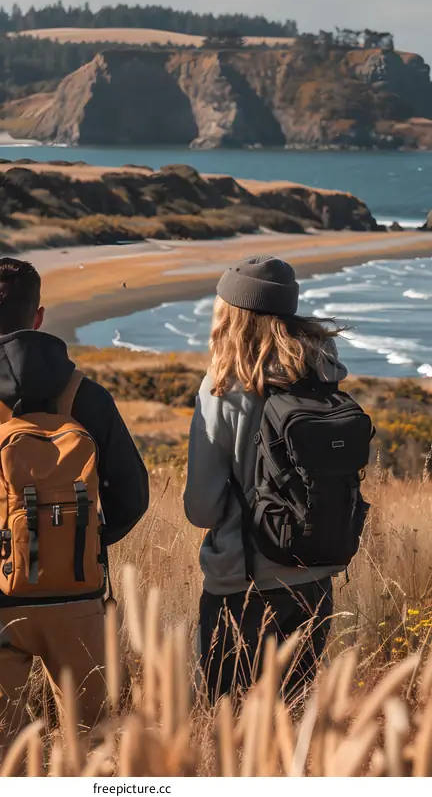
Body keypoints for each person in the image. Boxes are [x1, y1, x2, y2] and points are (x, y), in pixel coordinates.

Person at [0, 258, 149, 776]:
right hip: (80, 598)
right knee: (94, 743)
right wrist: (82, 545)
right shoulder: (88, 397)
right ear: (39, 316)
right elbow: (133, 497)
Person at [184, 256, 347, 704]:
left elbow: (201, 508)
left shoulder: (222, 388)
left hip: (243, 583)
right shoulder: (324, 376)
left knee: (228, 726)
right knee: (291, 721)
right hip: (316, 575)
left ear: (232, 313)